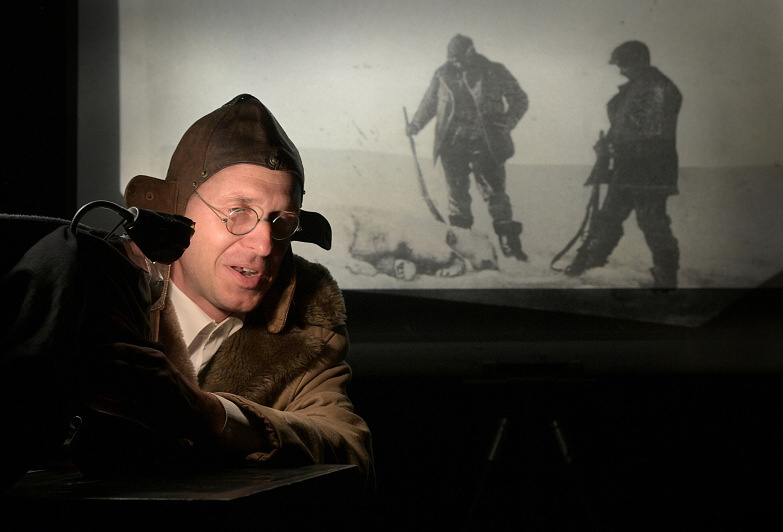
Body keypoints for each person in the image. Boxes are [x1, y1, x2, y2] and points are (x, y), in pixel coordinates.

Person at [0, 94, 374, 493]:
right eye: (238, 212)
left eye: (282, 221)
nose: (265, 245)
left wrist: (206, 413)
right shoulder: (96, 287)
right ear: (177, 214)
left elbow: (350, 451)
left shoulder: (310, 326)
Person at [565, 41, 682, 289]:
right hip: (628, 167)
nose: (620, 71)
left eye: (623, 65)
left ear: (639, 61)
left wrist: (615, 147)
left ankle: (666, 278)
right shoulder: (636, 88)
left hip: (651, 169)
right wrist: (607, 146)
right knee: (608, 218)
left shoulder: (658, 88)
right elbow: (624, 126)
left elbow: (651, 131)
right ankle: (589, 268)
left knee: (652, 223)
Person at [406, 34, 530, 262]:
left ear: (471, 52)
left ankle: (510, 245)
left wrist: (508, 122)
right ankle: (463, 244)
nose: (454, 62)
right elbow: (429, 103)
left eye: (458, 57)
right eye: (451, 57)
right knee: (456, 196)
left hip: (487, 143)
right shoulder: (442, 74)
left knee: (495, 193)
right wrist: (415, 125)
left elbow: (520, 99)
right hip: (452, 144)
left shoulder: (495, 71)